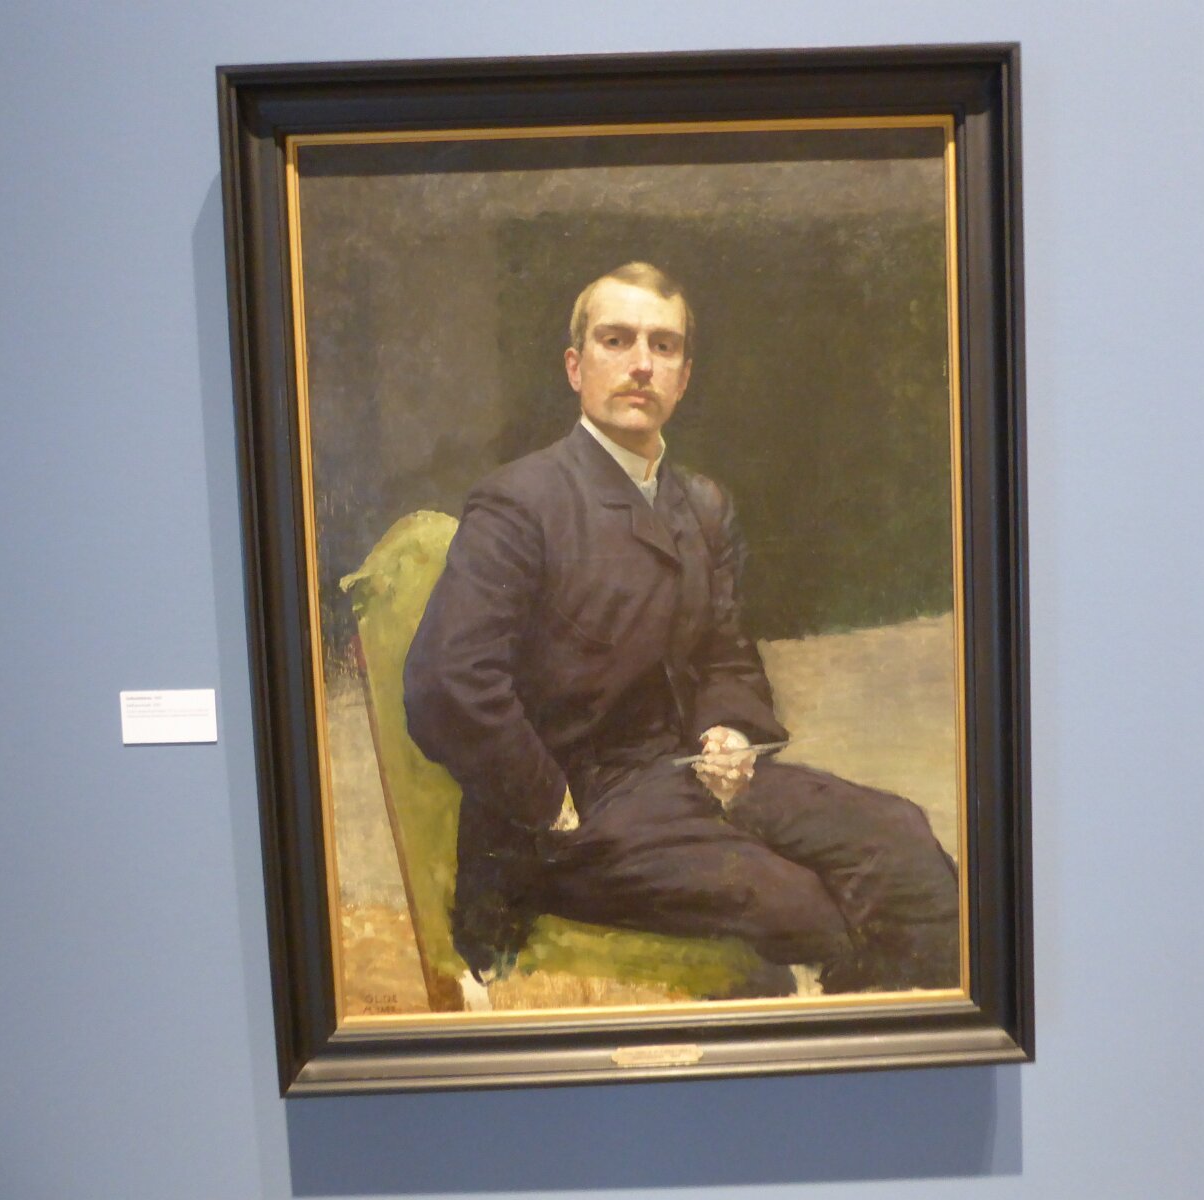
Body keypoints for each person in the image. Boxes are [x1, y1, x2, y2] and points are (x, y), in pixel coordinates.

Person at [403, 262, 959, 995]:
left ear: (684, 377)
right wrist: (547, 801)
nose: (641, 364)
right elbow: (447, 682)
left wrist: (728, 731)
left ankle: (901, 1050)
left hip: (686, 781)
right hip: (567, 818)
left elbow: (726, 654)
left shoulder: (702, 505)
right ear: (575, 366)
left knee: (902, 845)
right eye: (616, 340)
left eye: (662, 346)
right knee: (805, 907)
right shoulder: (520, 501)